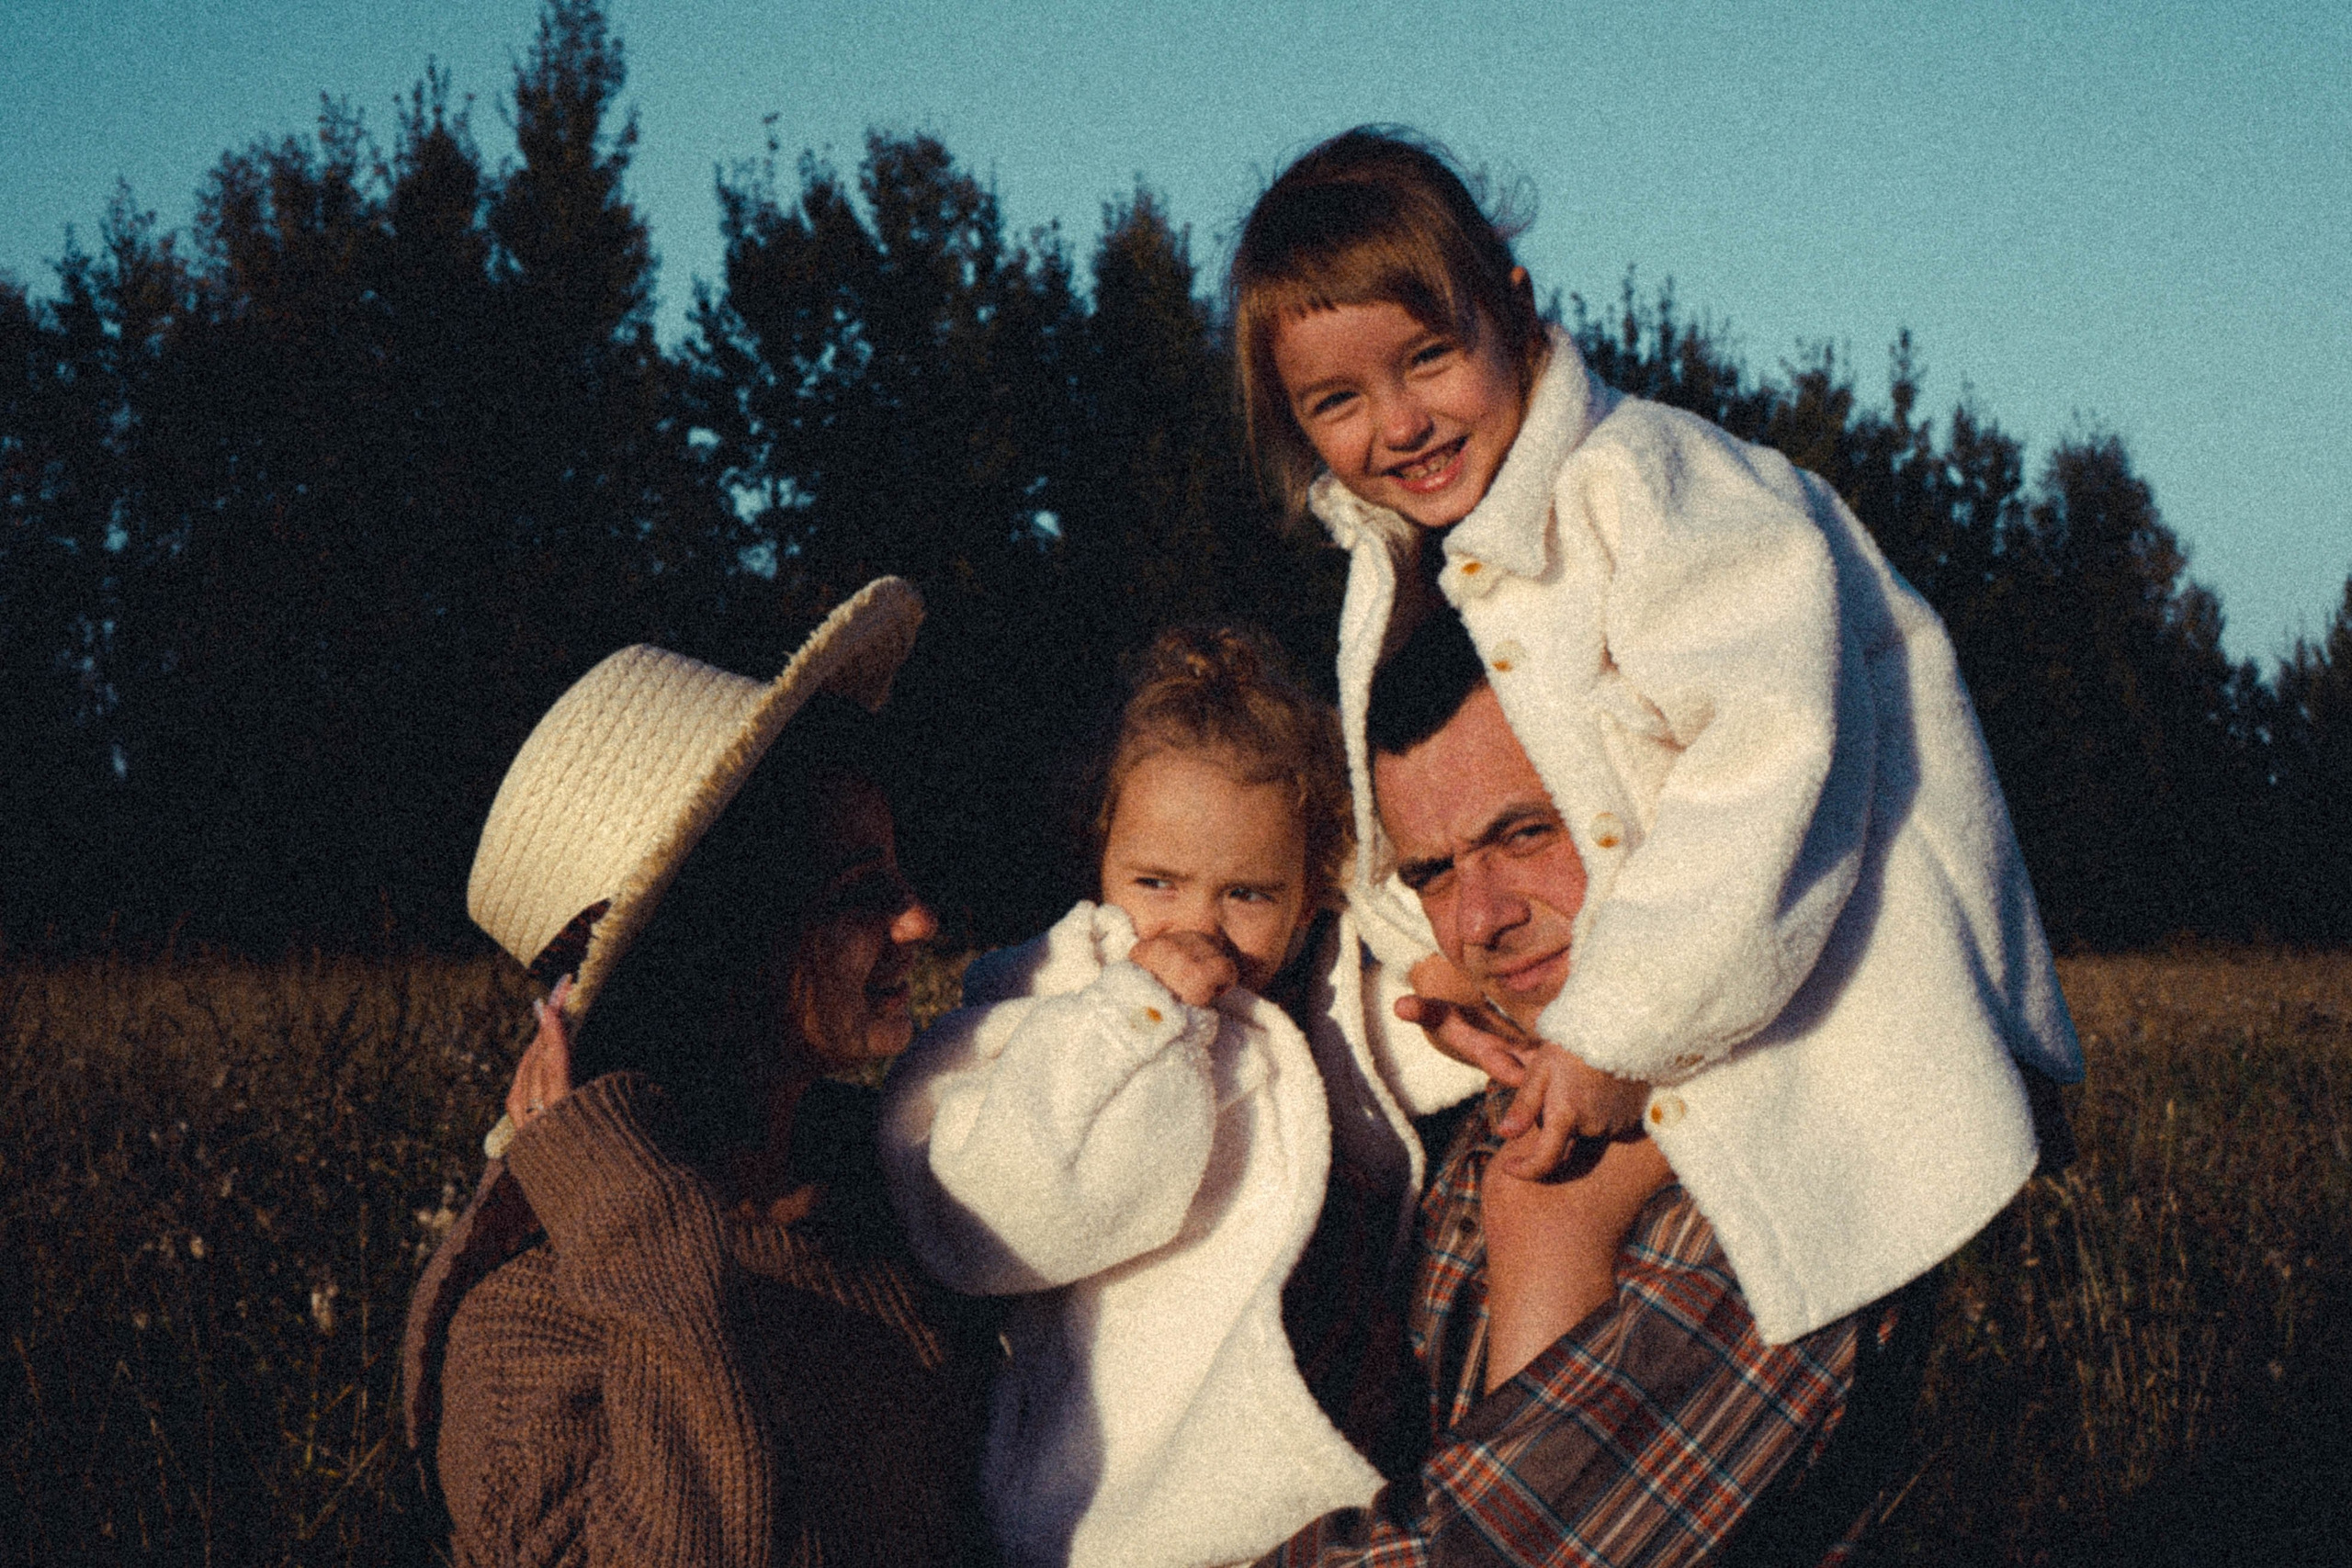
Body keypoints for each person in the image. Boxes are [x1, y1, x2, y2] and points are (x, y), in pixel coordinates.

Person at [1229, 127, 2083, 1348]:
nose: (1400, 421)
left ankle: (1518, 1520)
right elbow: (1411, 828)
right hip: (1714, 972)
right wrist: (1439, 964)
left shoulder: (1649, 483)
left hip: (1841, 970)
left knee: (1542, 1205)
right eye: (1339, 400)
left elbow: (1769, 763)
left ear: (1515, 311)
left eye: (1428, 357)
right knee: (1451, 1209)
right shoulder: (1404, 569)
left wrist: (1616, 1029)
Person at [1258, 615, 1939, 1563]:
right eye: (1433, 874)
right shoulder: (1490, 1090)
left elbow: (1486, 1553)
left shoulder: (1777, 1177)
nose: (1483, 919)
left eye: (1529, 833)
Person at [399, 578, 1001, 1568]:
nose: (920, 921)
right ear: (723, 945)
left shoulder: (888, 1198)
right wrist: (639, 1232)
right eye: (860, 893)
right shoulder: (527, 1327)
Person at [878, 626, 1496, 1568]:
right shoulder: (1049, 1003)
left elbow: (1442, 999)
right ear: (1100, 860)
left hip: (1315, 1455)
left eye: (1247, 893)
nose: (1196, 924)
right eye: (1156, 882)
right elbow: (1018, 1218)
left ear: (1309, 896)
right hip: (1123, 1502)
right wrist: (1142, 1018)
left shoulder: (1316, 996)